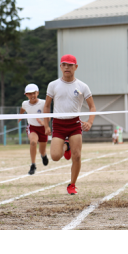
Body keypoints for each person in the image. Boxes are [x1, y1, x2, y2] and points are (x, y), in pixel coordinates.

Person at [44, 54, 96, 195]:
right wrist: (46, 125)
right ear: (61, 67)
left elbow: (92, 107)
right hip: (59, 125)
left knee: (77, 156)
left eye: (70, 65)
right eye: (64, 64)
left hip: (74, 124)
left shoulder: (82, 86)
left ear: (76, 67)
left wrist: (90, 122)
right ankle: (65, 146)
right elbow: (47, 106)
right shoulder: (53, 85)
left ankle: (72, 184)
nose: (67, 67)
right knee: (55, 156)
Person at [18, 83, 50, 175]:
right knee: (33, 142)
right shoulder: (25, 103)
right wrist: (20, 117)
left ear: (38, 93)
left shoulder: (43, 103)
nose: (32, 95)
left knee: (42, 150)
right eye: (29, 94)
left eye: (34, 93)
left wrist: (44, 123)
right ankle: (33, 165)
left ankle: (43, 155)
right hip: (32, 127)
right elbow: (22, 109)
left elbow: (49, 115)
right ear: (26, 95)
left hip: (43, 128)